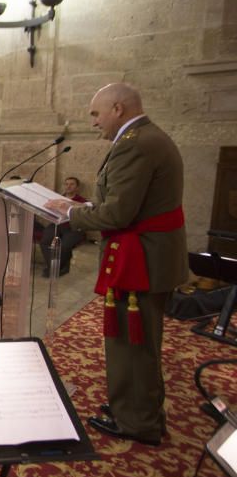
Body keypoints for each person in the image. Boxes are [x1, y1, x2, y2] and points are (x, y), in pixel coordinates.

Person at [44, 83, 186, 447]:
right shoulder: (145, 137)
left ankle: (137, 421)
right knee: (135, 341)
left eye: (96, 113)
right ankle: (134, 408)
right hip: (146, 255)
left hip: (142, 259)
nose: (93, 122)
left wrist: (71, 213)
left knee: (133, 343)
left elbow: (120, 212)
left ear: (118, 109)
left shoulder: (135, 144)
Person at [39, 177, 88, 277]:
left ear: (77, 187)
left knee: (65, 245)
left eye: (72, 184)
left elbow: (85, 213)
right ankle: (53, 267)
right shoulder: (57, 198)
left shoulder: (81, 201)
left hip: (73, 227)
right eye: (66, 184)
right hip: (57, 224)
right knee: (45, 240)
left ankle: (59, 268)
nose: (68, 186)